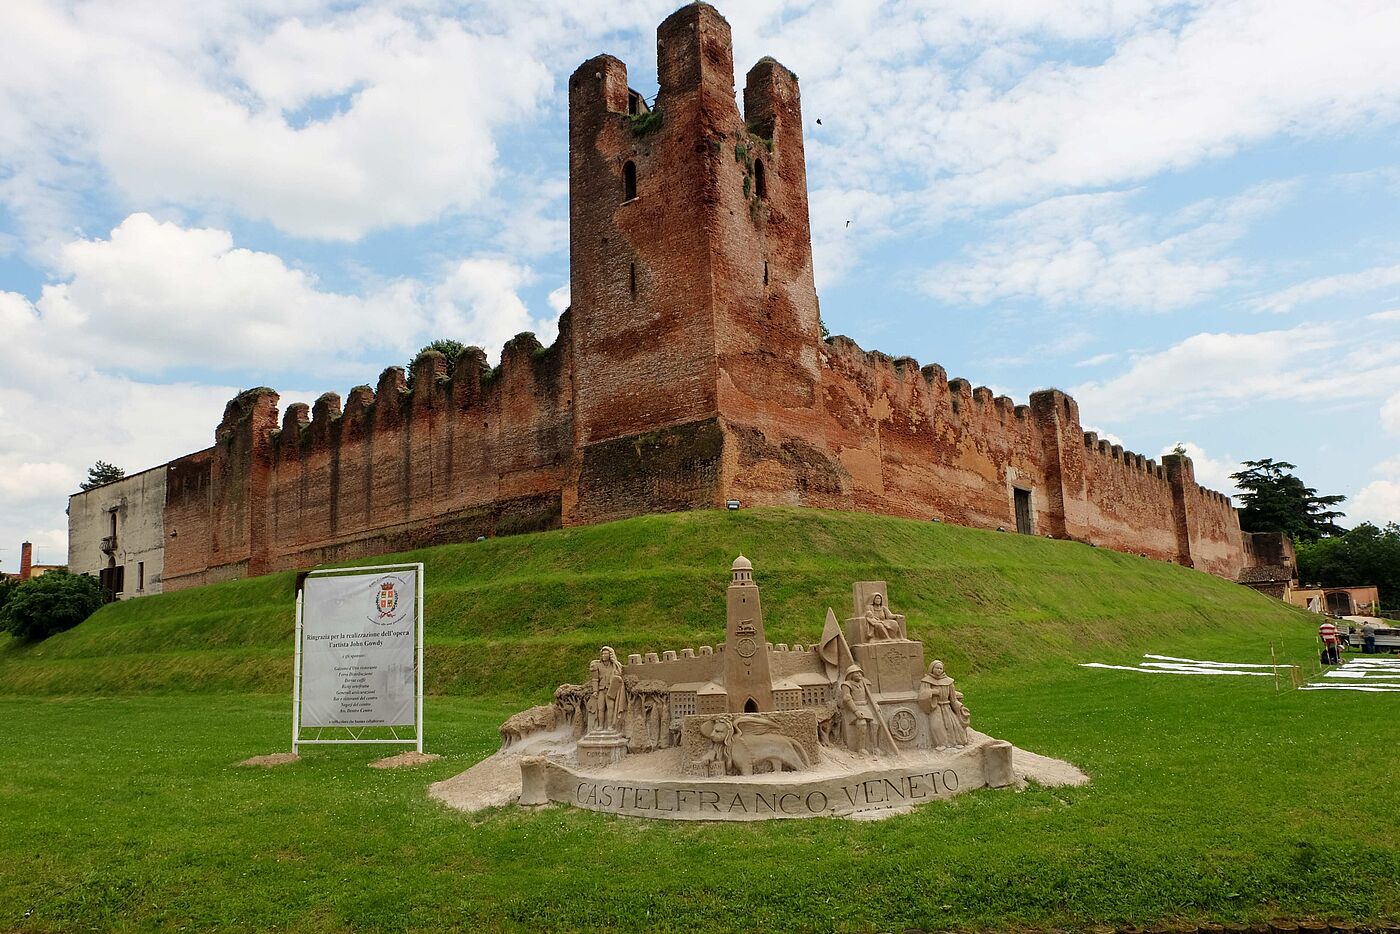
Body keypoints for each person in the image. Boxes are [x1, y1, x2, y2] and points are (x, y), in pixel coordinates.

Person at [918, 660, 969, 749]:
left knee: (953, 725)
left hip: (947, 706)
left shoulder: (948, 681)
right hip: (936, 706)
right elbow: (922, 694)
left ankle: (957, 742)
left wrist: (959, 707)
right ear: (932, 668)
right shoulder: (927, 681)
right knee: (936, 726)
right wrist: (932, 692)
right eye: (937, 668)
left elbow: (953, 698)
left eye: (940, 668)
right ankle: (941, 744)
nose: (939, 670)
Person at [840, 665, 878, 753]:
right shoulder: (846, 684)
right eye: (856, 673)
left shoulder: (865, 683)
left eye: (860, 672)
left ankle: (875, 747)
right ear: (850, 674)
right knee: (862, 723)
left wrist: (876, 705)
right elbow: (847, 698)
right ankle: (861, 748)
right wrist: (856, 711)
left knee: (875, 724)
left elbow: (870, 696)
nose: (859, 674)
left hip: (866, 706)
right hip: (853, 708)